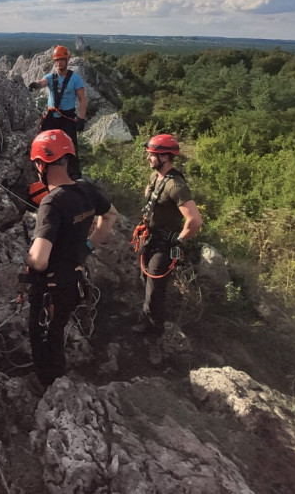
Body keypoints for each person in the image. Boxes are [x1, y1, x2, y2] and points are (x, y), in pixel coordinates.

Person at [24, 129, 118, 388]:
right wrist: (86, 246)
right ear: (67, 160)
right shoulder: (85, 189)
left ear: (41, 164)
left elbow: (40, 261)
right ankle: (55, 384)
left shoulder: (51, 204)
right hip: (73, 281)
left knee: (44, 340)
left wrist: (28, 259)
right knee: (56, 332)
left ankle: (52, 390)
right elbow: (110, 216)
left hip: (51, 288)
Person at [131, 134, 203, 335]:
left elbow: (195, 221)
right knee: (145, 280)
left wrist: (177, 240)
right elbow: (149, 195)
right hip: (150, 237)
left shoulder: (176, 186)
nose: (148, 158)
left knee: (155, 290)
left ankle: (156, 335)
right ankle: (146, 319)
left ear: (165, 157)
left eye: (151, 155)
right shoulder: (155, 177)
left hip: (164, 244)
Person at [28, 45, 88, 178]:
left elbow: (82, 99)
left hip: (67, 117)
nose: (59, 63)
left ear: (67, 60)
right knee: (45, 143)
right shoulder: (51, 77)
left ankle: (74, 176)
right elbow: (42, 82)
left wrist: (81, 118)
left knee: (70, 147)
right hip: (52, 116)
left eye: (62, 60)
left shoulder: (75, 79)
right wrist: (35, 85)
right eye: (57, 60)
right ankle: (45, 172)